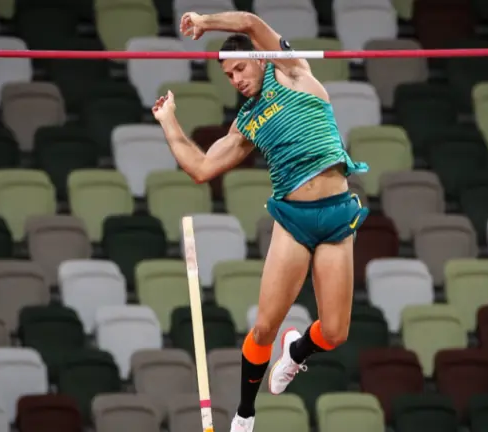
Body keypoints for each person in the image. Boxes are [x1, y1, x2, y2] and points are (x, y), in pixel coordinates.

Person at [151, 10, 370, 432]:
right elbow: (201, 168)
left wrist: (206, 22)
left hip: (337, 215)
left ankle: (297, 352)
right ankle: (245, 414)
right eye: (228, 75)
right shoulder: (247, 122)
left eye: (240, 68)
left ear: (260, 58)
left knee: (335, 333)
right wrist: (169, 122)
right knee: (265, 326)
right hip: (294, 220)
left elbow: (251, 23)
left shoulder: (290, 71)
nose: (235, 79)